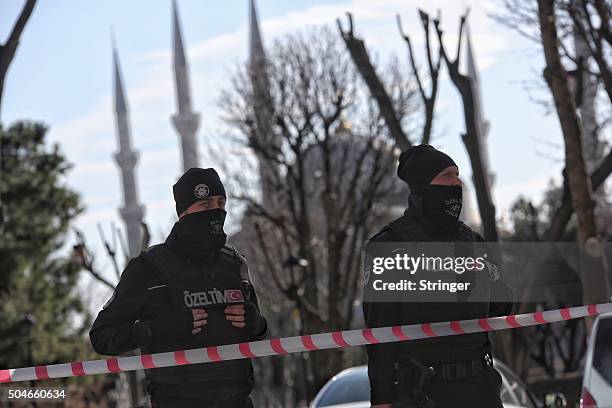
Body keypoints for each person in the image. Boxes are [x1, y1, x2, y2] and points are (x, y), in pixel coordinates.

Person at [90, 168, 268, 408]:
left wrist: (257, 324)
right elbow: (102, 337)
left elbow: (260, 334)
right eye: (205, 205)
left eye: (220, 203)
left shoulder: (235, 264)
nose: (216, 211)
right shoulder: (147, 269)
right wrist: (158, 329)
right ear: (183, 213)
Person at [363, 144, 513, 408]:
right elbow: (380, 331)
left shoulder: (472, 241)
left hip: (479, 388)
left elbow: (502, 306)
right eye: (446, 176)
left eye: (457, 174)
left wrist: (486, 279)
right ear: (423, 185)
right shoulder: (390, 245)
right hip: (422, 393)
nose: (456, 182)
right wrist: (381, 399)